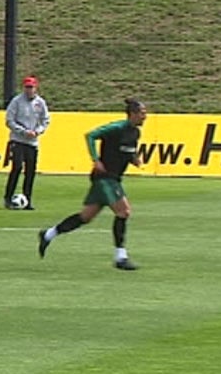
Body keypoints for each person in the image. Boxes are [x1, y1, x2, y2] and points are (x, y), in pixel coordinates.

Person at [37, 99, 148, 270]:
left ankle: (49, 234)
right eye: (142, 113)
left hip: (113, 179)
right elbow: (90, 135)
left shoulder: (135, 133)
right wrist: (95, 159)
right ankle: (120, 257)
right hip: (105, 178)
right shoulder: (116, 128)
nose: (145, 116)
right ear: (132, 114)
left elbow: (128, 150)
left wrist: (134, 159)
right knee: (123, 212)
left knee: (85, 217)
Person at [3, 76, 50, 210]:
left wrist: (38, 131)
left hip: (32, 142)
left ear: (36, 88)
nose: (29, 90)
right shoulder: (16, 101)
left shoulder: (40, 103)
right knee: (17, 167)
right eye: (27, 87)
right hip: (18, 140)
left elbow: (45, 120)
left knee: (30, 171)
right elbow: (9, 120)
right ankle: (8, 197)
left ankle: (27, 199)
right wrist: (23, 131)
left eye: (31, 87)